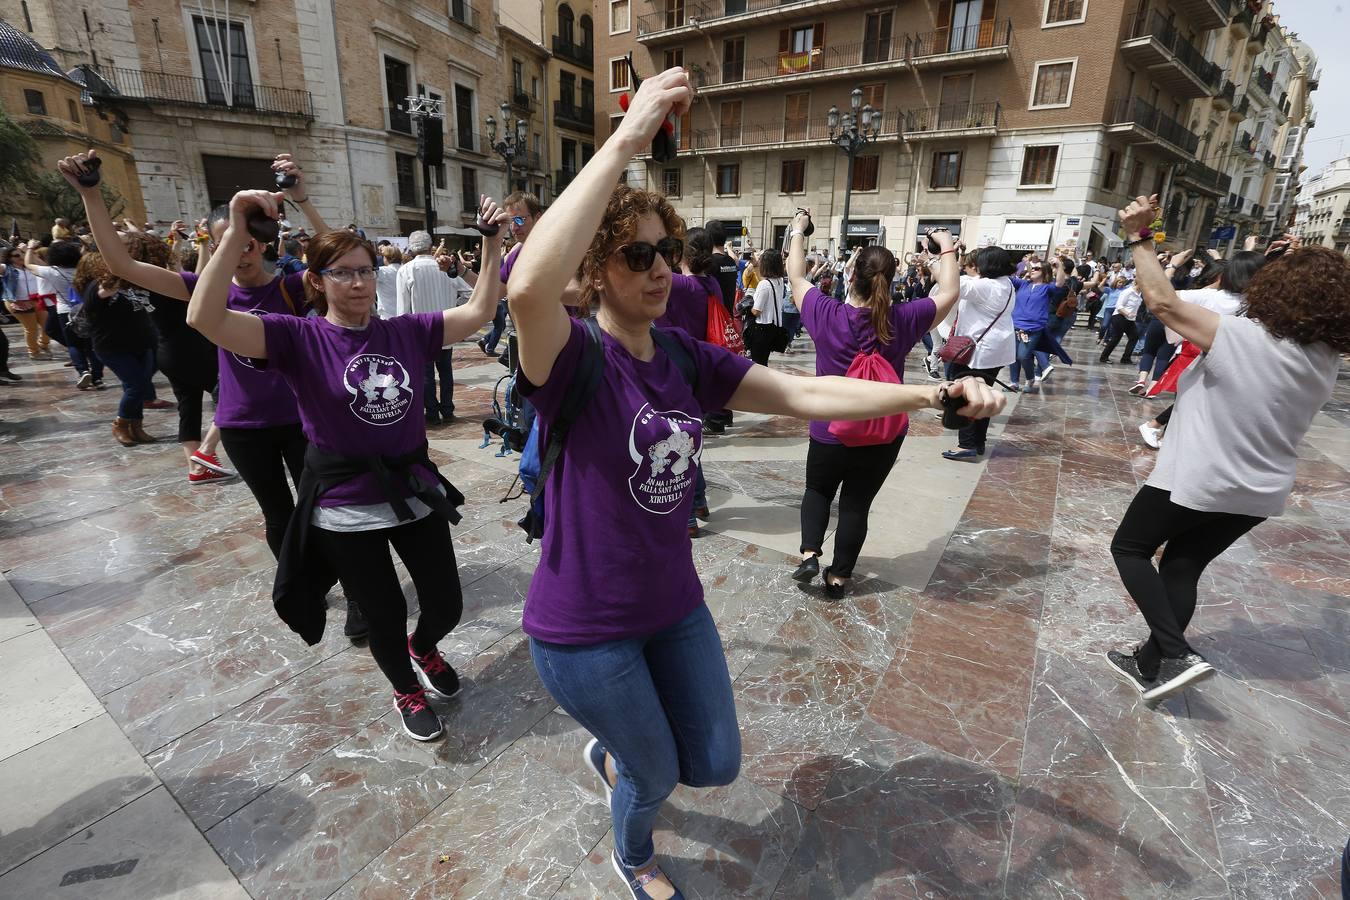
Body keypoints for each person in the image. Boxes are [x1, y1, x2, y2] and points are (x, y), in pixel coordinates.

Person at [505, 66, 1004, 900]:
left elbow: (807, 391)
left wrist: (930, 392)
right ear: (595, 273)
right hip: (585, 629)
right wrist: (628, 139)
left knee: (717, 761)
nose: (661, 268)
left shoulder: (683, 357)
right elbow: (525, 287)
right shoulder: (571, 360)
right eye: (637, 255)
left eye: (667, 250)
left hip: (673, 607)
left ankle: (618, 754)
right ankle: (635, 853)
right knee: (657, 777)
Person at [187, 189, 508, 740]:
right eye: (343, 273)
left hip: (411, 487)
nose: (358, 283)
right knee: (382, 615)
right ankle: (405, 689)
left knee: (447, 603)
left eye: (365, 272)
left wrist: (493, 241)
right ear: (318, 281)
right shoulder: (296, 337)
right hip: (345, 504)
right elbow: (204, 318)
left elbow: (479, 311)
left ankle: (424, 646)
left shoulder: (405, 331)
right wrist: (238, 229)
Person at [56, 148, 369, 637]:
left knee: (327, 509)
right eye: (231, 241)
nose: (242, 250)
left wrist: (300, 199)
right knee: (278, 516)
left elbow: (336, 252)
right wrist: (91, 195)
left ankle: (357, 595)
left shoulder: (289, 288)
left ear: (264, 243)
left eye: (249, 240)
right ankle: (306, 587)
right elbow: (119, 262)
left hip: (302, 420)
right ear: (218, 242)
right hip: (243, 426)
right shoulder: (207, 291)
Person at [1105, 194, 1348, 706]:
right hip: (1259, 491)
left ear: (1275, 290)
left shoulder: (1239, 336)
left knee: (1128, 548)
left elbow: (1163, 304)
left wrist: (1140, 236)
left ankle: (1175, 653)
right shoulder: (1325, 358)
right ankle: (1150, 666)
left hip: (1198, 477)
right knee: (1182, 566)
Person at [791, 221, 960, 598]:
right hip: (883, 434)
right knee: (856, 504)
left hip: (828, 430)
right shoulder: (904, 319)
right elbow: (950, 290)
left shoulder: (825, 312)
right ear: (892, 278)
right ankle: (839, 577)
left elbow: (796, 275)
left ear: (851, 275)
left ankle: (808, 553)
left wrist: (800, 231)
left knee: (817, 490)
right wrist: (945, 244)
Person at [73, 251, 160, 445]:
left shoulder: (129, 285)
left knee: (139, 386)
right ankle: (120, 425)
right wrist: (120, 267)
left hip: (142, 342)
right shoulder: (97, 288)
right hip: (113, 347)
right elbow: (108, 289)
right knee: (136, 386)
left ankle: (136, 427)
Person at [941, 245, 1017, 460]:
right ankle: (978, 442)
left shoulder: (984, 286)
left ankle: (966, 444)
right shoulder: (1007, 284)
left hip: (979, 352)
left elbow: (949, 283)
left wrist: (945, 255)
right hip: (997, 349)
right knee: (984, 395)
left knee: (966, 395)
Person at [396, 231, 468, 425]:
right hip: (446, 325)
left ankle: (432, 411)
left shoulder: (406, 270)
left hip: (420, 328)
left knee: (426, 373)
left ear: (412, 248)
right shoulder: (443, 266)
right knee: (445, 370)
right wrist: (456, 304)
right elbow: (468, 291)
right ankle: (447, 408)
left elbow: (403, 308)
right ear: (431, 246)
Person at [26, 239, 103, 387]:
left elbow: (29, 265)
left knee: (73, 344)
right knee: (91, 345)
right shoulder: (85, 269)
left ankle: (83, 371)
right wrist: (85, 246)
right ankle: (97, 377)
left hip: (65, 311)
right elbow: (87, 256)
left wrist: (29, 248)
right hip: (88, 309)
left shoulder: (52, 271)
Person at [480, 191, 542, 355]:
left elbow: (579, 294)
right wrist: (461, 270)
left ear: (538, 218)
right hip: (528, 346)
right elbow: (490, 295)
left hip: (562, 346)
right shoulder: (516, 255)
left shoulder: (557, 248)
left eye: (520, 219)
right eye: (510, 221)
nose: (514, 227)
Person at [1007, 255, 1068, 392]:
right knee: (1013, 355)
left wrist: (1059, 265)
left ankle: (1030, 379)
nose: (1033, 270)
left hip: (1033, 328)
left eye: (1037, 268)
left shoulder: (1048, 288)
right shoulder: (1022, 284)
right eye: (1032, 268)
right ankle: (1014, 382)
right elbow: (1007, 278)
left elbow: (1059, 283)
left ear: (1045, 272)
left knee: (1023, 355)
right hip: (1015, 324)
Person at [2, 244, 52, 360]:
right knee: (31, 328)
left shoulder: (30, 266)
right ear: (9, 258)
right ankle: (34, 352)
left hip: (36, 299)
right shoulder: (6, 268)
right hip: (18, 302)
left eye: (21, 254)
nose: (20, 257)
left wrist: (29, 251)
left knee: (48, 325)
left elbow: (46, 267)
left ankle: (43, 344)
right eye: (16, 255)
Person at [746, 248, 788, 366]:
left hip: (761, 329)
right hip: (773, 328)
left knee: (758, 363)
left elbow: (756, 311)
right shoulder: (779, 281)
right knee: (764, 361)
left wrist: (747, 307)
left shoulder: (764, 285)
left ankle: (760, 384)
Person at [374, 244, 402, 319]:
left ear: (386, 258)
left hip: (387, 313)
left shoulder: (382, 271)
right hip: (405, 312)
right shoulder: (405, 269)